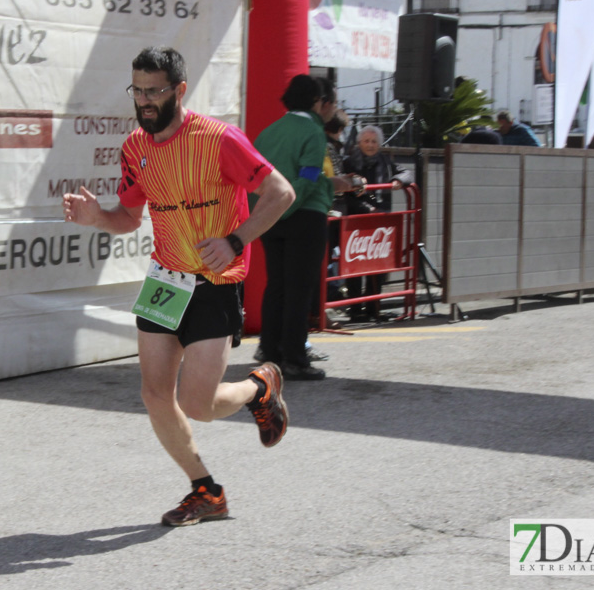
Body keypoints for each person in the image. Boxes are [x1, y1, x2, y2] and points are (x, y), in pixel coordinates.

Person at [62, 46, 295, 527]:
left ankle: (258, 388)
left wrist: (236, 240)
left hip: (214, 282)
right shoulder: (135, 149)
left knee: (197, 404)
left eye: (154, 91)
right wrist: (96, 218)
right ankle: (206, 491)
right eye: (138, 90)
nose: (144, 101)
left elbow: (281, 193)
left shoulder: (218, 139)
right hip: (166, 280)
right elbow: (128, 217)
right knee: (153, 393)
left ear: (179, 90)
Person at [252, 75, 353, 381]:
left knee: (277, 285)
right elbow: (308, 177)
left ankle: (270, 353)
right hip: (305, 216)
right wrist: (291, 203)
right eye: (331, 103)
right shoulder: (313, 130)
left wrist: (269, 212)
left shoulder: (269, 132)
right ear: (318, 103)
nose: (331, 109)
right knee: (299, 289)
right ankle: (295, 359)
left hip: (270, 218)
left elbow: (254, 178)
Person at [341, 125, 413, 322]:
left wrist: (398, 179)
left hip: (381, 222)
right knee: (355, 266)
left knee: (378, 267)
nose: (370, 145)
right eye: (366, 141)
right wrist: (368, 209)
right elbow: (347, 195)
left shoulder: (385, 161)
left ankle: (374, 309)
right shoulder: (349, 163)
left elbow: (407, 173)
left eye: (374, 142)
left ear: (379, 144)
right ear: (359, 143)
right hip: (357, 220)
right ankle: (356, 310)